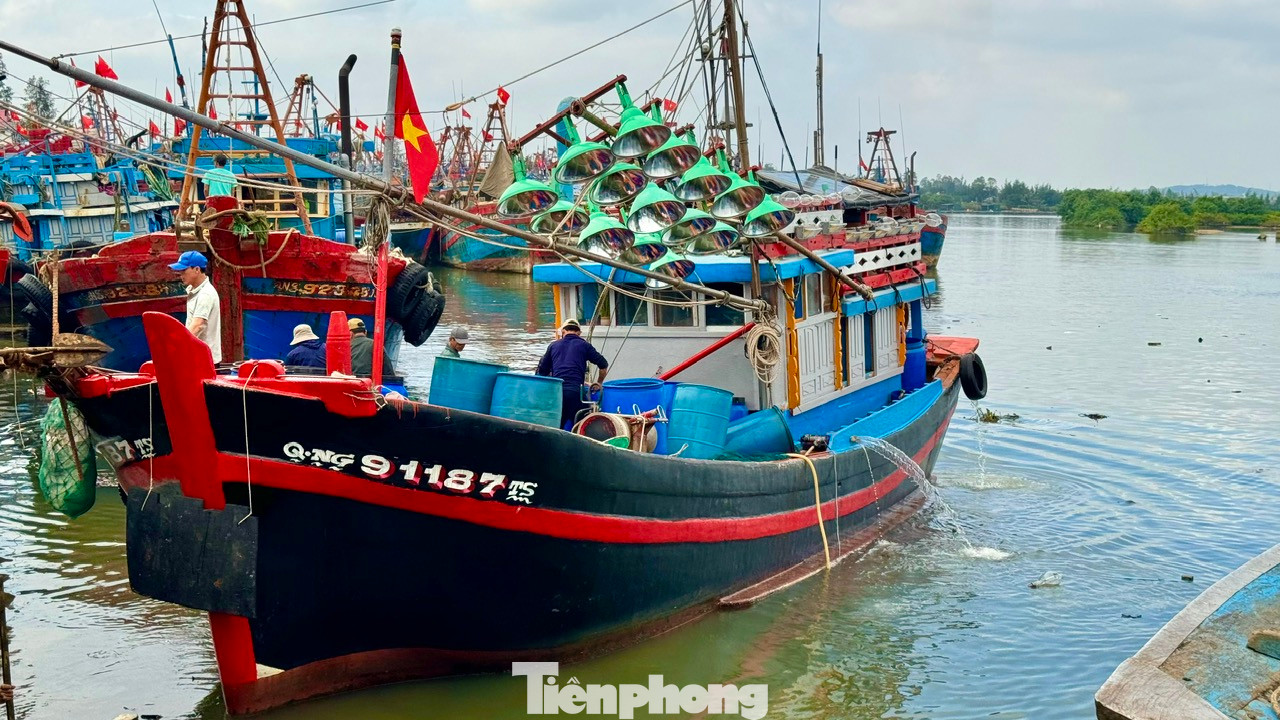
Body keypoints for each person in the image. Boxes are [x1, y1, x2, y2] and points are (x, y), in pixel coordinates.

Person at [536, 319, 609, 429]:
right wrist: (598, 383)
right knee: (581, 428)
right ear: (579, 333)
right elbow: (603, 365)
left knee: (556, 428)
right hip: (576, 393)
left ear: (563, 332)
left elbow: (542, 373)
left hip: (558, 394)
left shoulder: (553, 346)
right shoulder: (585, 345)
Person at [170, 250, 222, 363]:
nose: (181, 275)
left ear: (197, 270)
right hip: (199, 357)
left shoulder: (205, 294)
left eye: (184, 270)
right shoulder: (196, 291)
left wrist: (178, 348)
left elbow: (198, 325)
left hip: (204, 361)